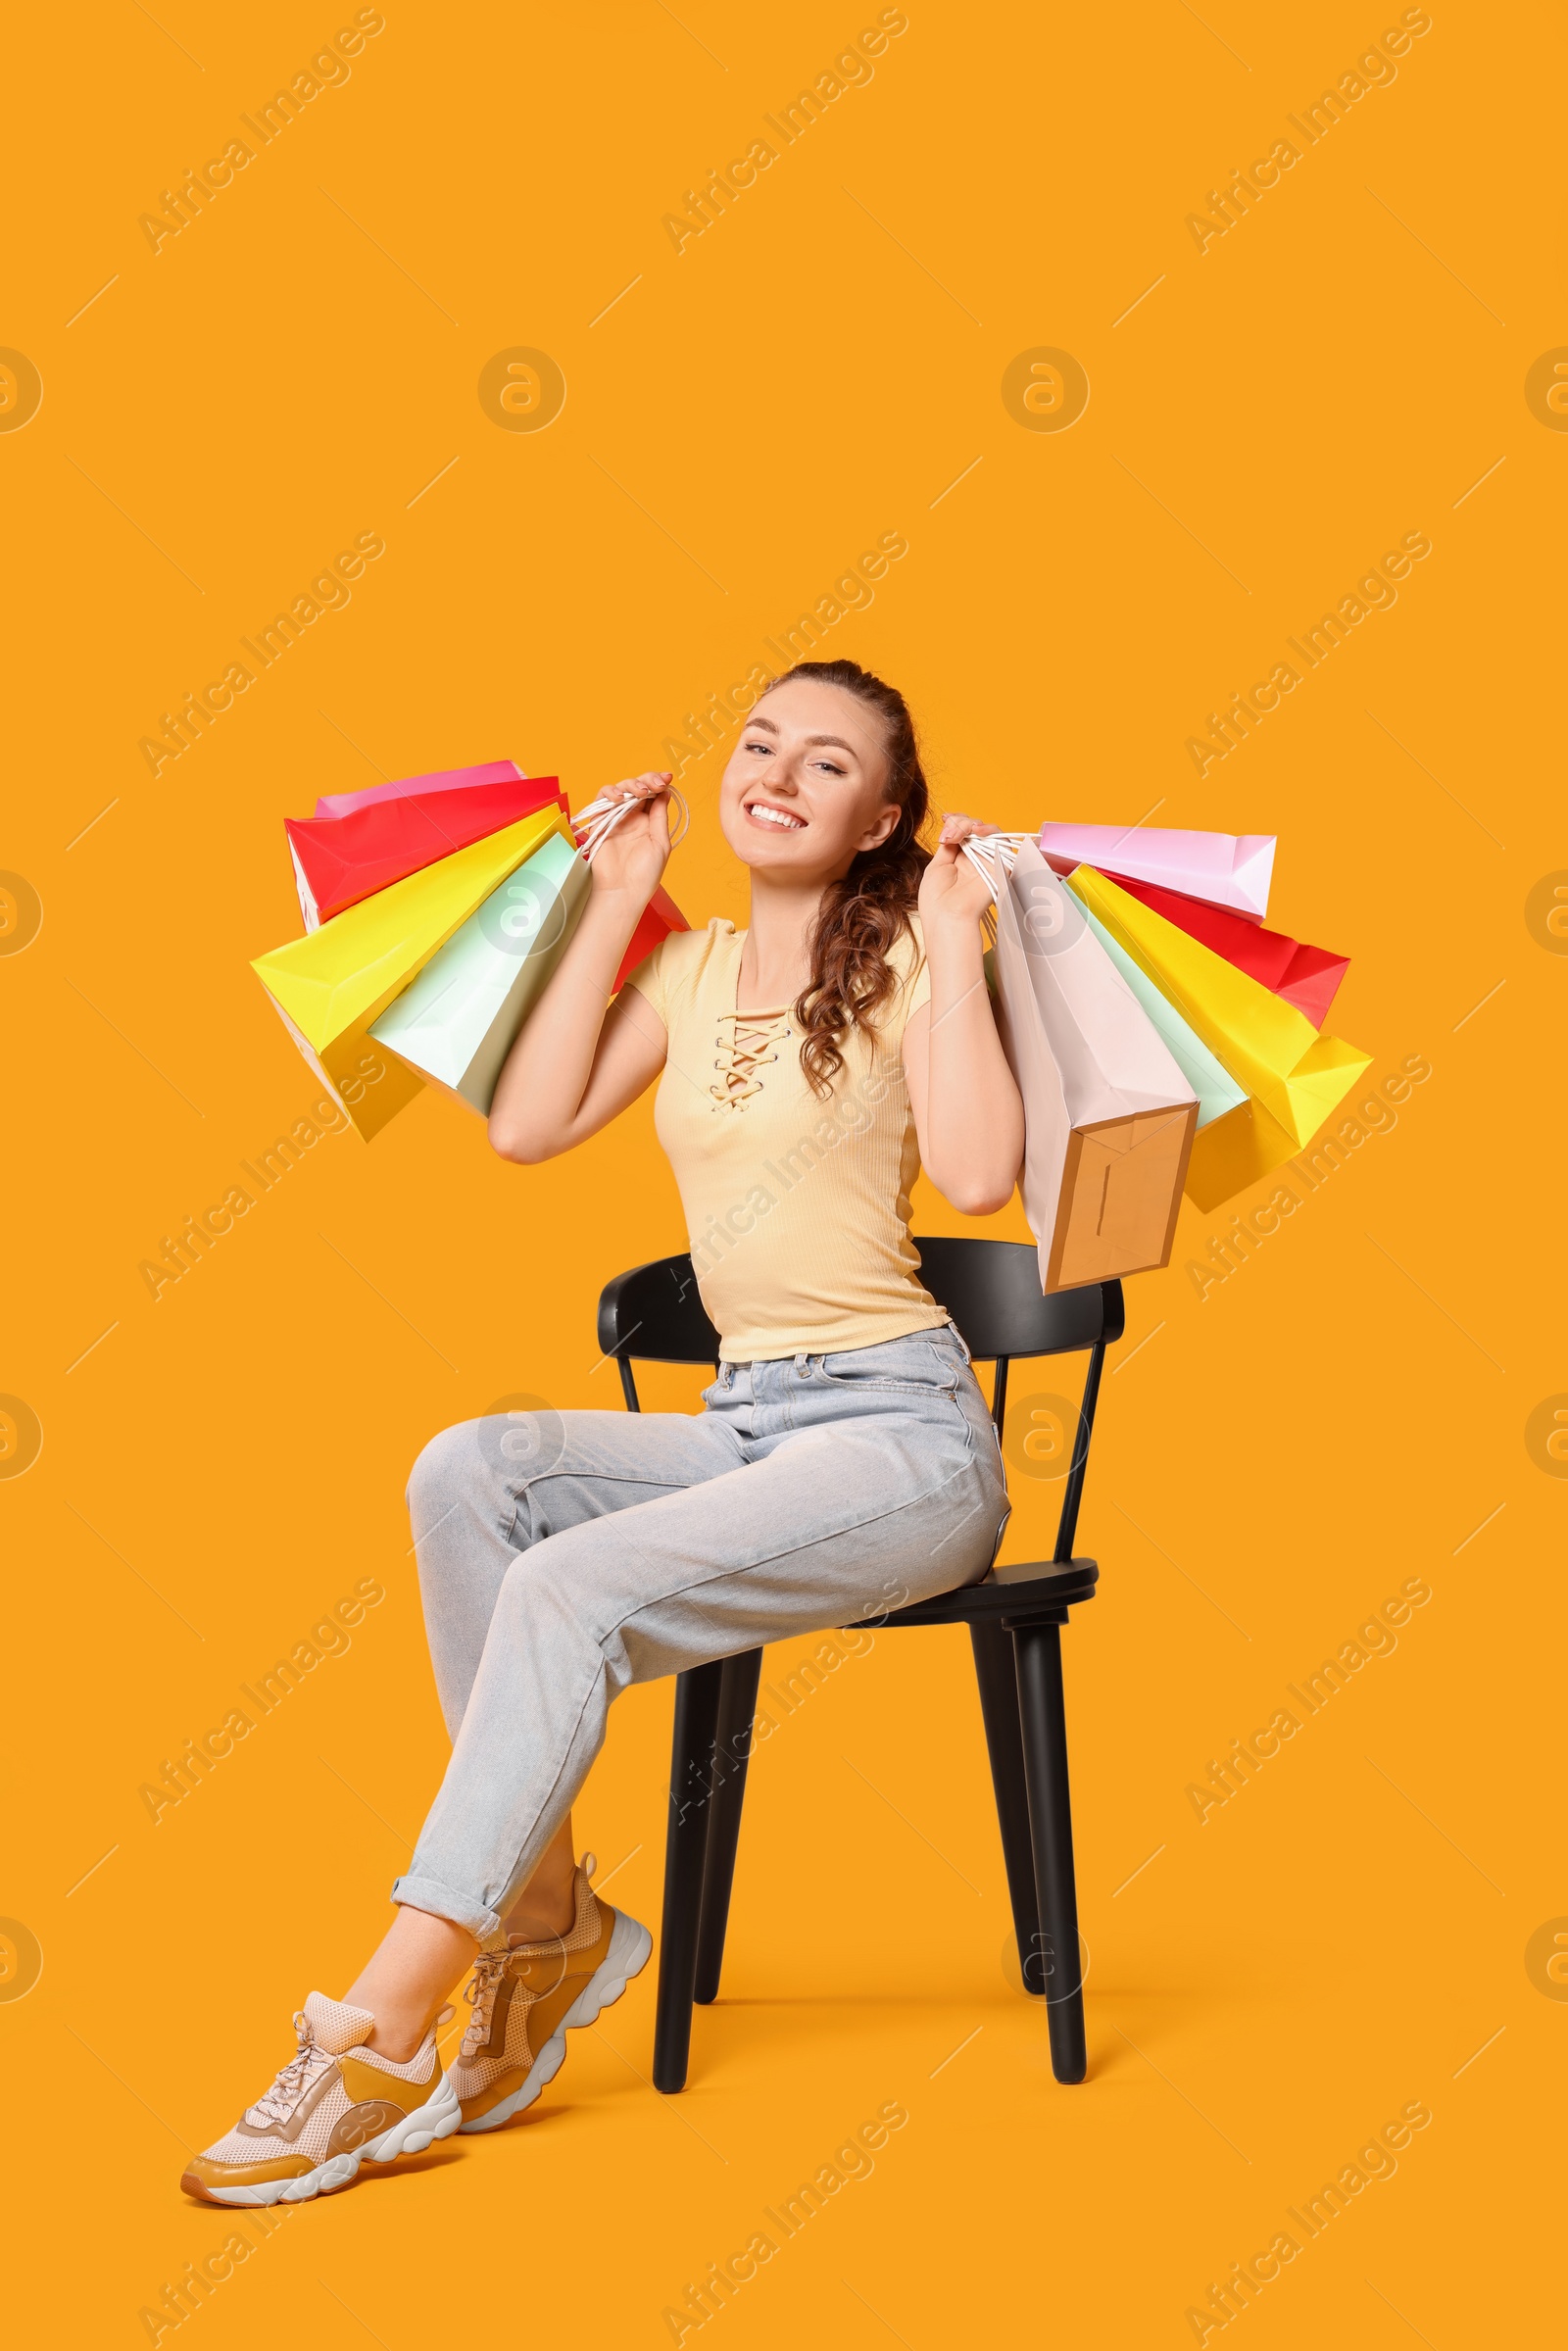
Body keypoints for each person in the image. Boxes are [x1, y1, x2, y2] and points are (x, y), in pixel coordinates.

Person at [183, 659, 1024, 2206]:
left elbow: (979, 1180)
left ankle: (384, 2015)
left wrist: (961, 941)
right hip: (751, 1424)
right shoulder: (690, 972)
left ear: (881, 817)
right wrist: (609, 893)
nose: (776, 768)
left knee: (566, 1590)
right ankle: (553, 1918)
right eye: (761, 739)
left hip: (902, 1443)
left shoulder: (916, 950)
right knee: (469, 1470)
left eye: (826, 763)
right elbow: (526, 1123)